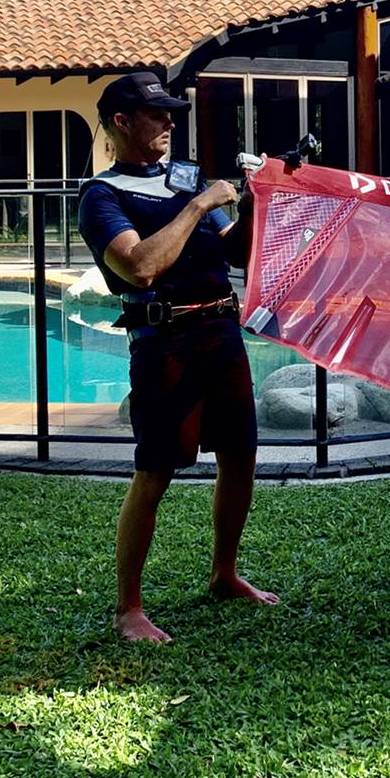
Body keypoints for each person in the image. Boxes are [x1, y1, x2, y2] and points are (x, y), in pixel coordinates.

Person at [77, 71, 278, 643]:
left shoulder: (186, 179)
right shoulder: (102, 196)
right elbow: (140, 266)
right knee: (156, 470)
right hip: (164, 343)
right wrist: (199, 206)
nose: (170, 121)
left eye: (171, 112)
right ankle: (128, 609)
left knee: (240, 455)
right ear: (121, 122)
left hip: (221, 332)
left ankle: (224, 574)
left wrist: (254, 203)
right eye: (157, 113)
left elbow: (234, 250)